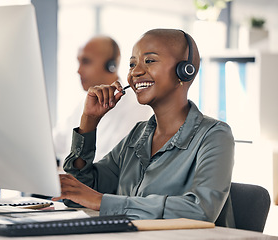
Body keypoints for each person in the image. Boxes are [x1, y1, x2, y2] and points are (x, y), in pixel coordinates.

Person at [52, 29, 235, 228]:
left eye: (149, 61)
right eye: (132, 64)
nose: (135, 72)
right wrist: (89, 122)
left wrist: (102, 201)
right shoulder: (137, 136)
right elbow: (80, 193)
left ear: (185, 70)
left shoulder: (215, 135)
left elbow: (200, 210)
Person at [53, 35, 152, 163]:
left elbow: (115, 166)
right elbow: (54, 144)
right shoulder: (83, 105)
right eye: (79, 62)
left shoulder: (137, 107)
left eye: (86, 61)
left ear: (111, 66)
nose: (78, 70)